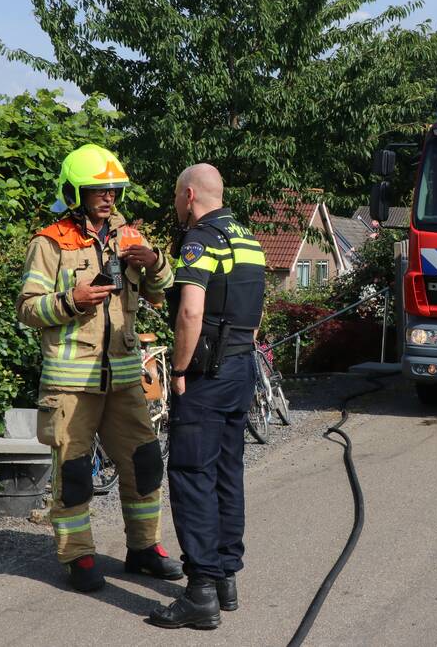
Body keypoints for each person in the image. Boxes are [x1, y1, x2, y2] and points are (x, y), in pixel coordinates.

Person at [17, 144, 181, 591]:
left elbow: (164, 290)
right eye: (98, 189)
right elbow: (27, 309)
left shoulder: (130, 236)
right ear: (75, 192)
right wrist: (72, 300)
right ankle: (79, 556)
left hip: (124, 379)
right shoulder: (50, 242)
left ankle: (144, 549)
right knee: (73, 473)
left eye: (113, 190)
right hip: (71, 385)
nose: (108, 197)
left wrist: (155, 262)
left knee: (145, 462)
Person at [149, 164, 266, 629]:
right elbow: (255, 316)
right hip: (241, 369)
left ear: (190, 195)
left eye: (177, 196)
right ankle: (225, 580)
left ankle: (200, 592)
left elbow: (190, 313)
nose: (176, 204)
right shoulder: (249, 240)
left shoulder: (200, 240)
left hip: (207, 376)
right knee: (227, 473)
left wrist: (179, 370)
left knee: (192, 475)